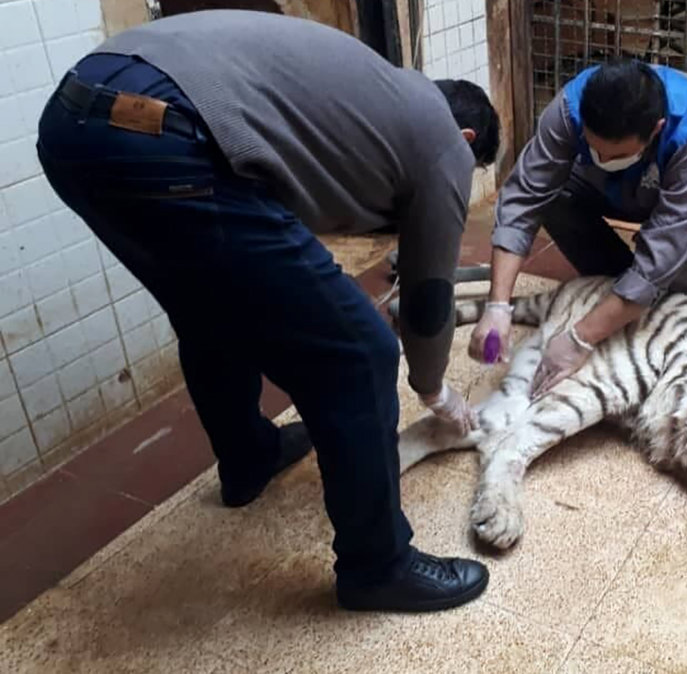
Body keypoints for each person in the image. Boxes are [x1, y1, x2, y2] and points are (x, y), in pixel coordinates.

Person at [36, 9, 498, 613]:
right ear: (468, 143)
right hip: (160, 130)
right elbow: (431, 293)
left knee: (208, 307)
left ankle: (249, 456)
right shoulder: (444, 146)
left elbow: (278, 229)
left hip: (75, 118)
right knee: (361, 353)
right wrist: (434, 388)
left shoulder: (373, 96)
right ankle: (377, 567)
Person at [468, 60, 687, 396]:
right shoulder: (569, 107)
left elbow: (666, 250)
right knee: (553, 195)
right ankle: (619, 288)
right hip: (628, 182)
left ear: (656, 128)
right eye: (594, 148)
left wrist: (580, 338)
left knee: (676, 258)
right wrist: (497, 306)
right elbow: (523, 198)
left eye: (615, 153)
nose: (603, 159)